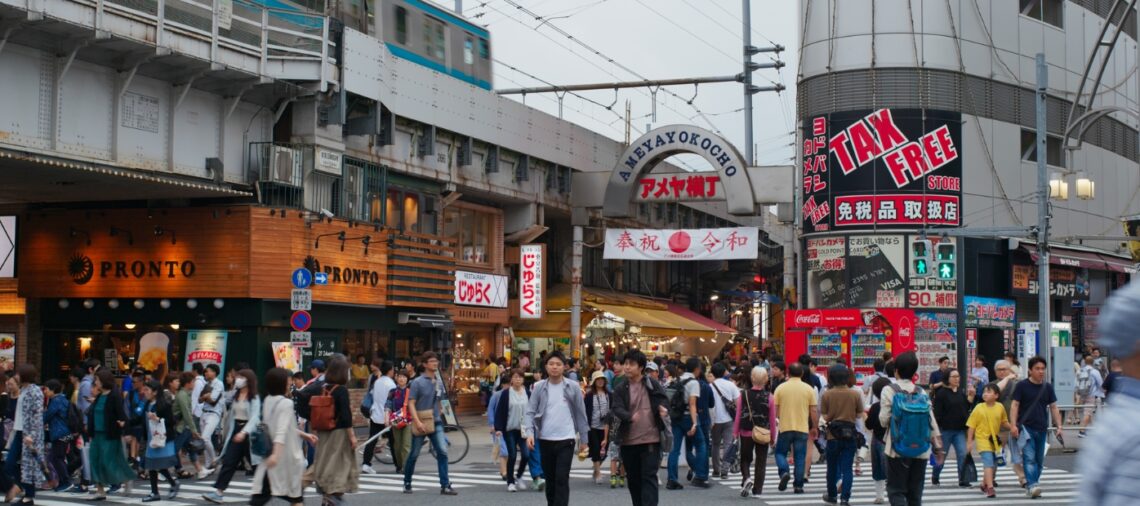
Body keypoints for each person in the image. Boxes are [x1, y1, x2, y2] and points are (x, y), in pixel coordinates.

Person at [523, 351, 589, 506]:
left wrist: (584, 440)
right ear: (546, 367)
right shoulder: (539, 387)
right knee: (550, 480)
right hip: (545, 439)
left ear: (564, 367)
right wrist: (529, 433)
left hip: (566, 439)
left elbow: (581, 414)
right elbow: (530, 411)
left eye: (558, 364)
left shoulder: (573, 386)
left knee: (561, 478)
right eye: (551, 364)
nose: (554, 367)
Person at [879, 352, 943, 506]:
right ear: (914, 373)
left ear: (896, 371)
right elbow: (931, 420)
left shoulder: (889, 390)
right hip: (921, 449)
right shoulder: (921, 392)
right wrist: (938, 446)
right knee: (915, 493)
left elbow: (883, 420)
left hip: (896, 448)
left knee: (896, 490)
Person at [250, 368, 316, 506]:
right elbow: (281, 431)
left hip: (272, 457)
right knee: (294, 497)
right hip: (285, 458)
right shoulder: (286, 403)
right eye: (288, 382)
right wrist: (276, 455)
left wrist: (304, 435)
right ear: (281, 384)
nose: (290, 384)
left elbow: (278, 427)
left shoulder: (268, 400)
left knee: (263, 496)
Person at [611, 350, 668, 506]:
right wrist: (629, 416)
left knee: (649, 477)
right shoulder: (620, 387)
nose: (627, 367)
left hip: (651, 439)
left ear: (641, 367)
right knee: (634, 480)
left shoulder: (652, 384)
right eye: (626, 363)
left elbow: (664, 400)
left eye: (631, 364)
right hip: (628, 441)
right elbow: (616, 407)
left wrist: (663, 409)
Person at [304, 357, 359, 504]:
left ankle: (325, 494)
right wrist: (352, 436)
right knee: (339, 464)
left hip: (324, 431)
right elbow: (346, 416)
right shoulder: (341, 390)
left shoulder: (323, 388)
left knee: (323, 461)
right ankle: (332, 494)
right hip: (339, 433)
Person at [202, 370, 261, 504]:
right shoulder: (236, 395)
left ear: (248, 379)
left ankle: (267, 488)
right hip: (236, 432)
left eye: (241, 377)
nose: (238, 379)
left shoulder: (254, 397)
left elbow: (255, 417)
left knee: (256, 465)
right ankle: (218, 492)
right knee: (229, 461)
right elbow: (229, 413)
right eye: (238, 377)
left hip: (250, 434)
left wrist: (244, 432)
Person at [404, 351, 458, 495]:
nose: (435, 363)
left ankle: (445, 485)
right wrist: (417, 422)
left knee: (442, 451)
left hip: (436, 421)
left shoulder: (438, 381)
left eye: (436, 361)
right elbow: (411, 403)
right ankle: (407, 482)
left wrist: (442, 412)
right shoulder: (417, 382)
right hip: (421, 421)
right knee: (414, 454)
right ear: (424, 364)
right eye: (432, 361)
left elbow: (441, 400)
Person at [1009, 356, 1063, 499]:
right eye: (1037, 369)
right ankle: (1032, 485)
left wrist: (1059, 426)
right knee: (1029, 458)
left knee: (1039, 460)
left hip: (1042, 428)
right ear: (1030, 370)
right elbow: (1015, 405)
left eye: (1043, 369)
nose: (1041, 371)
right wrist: (1013, 425)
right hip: (1026, 428)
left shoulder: (1047, 387)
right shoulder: (1022, 386)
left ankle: (1032, 485)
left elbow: (1054, 407)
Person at [86, 369, 136, 501]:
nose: (95, 383)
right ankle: (100, 490)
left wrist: (126, 431)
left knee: (109, 462)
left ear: (104, 381)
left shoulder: (114, 396)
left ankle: (126, 478)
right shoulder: (99, 397)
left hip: (110, 434)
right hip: (96, 434)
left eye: (97, 380)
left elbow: (122, 415)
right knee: (95, 461)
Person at [773, 361, 818, 494]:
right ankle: (798, 485)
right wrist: (815, 427)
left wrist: (775, 422)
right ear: (802, 373)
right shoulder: (808, 389)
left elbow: (775, 410)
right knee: (800, 456)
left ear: (788, 373)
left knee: (780, 453)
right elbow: (813, 410)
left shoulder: (781, 388)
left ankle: (784, 472)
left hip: (785, 426)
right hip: (802, 427)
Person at [820, 364, 862, 506]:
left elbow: (824, 416)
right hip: (850, 434)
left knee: (832, 467)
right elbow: (859, 414)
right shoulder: (855, 394)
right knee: (847, 468)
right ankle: (845, 498)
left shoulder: (827, 394)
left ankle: (832, 495)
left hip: (833, 435)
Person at [665, 358, 709, 490]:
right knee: (701, 445)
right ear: (697, 369)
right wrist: (695, 423)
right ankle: (700, 476)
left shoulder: (677, 380)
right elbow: (692, 403)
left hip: (676, 417)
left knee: (675, 449)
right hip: (688, 417)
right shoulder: (693, 383)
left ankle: (672, 479)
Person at [5, 364, 44, 506]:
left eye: (18, 374)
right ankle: (20, 485)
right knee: (9, 463)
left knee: (29, 465)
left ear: (25, 375)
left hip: (29, 434)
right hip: (19, 431)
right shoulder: (23, 389)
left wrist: (32, 435)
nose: (16, 376)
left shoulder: (35, 391)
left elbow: (37, 415)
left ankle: (29, 496)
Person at [734, 366, 774, 499]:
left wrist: (735, 432)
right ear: (766, 380)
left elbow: (738, 415)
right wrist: (773, 436)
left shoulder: (743, 395)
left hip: (746, 431)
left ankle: (746, 478)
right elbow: (772, 419)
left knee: (745, 458)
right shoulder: (770, 397)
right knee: (761, 461)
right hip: (763, 432)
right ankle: (758, 489)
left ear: (752, 378)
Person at [931, 368, 974, 487]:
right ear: (947, 378)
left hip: (959, 430)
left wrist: (971, 397)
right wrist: (937, 431)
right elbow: (937, 413)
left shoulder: (960, 392)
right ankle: (935, 475)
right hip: (945, 430)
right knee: (942, 456)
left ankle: (963, 479)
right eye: (954, 377)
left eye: (958, 376)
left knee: (962, 454)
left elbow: (965, 408)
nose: (957, 379)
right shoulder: (941, 394)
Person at [139, 380, 179, 502]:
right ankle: (161, 489)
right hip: (151, 438)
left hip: (161, 439)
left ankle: (158, 491)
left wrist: (158, 419)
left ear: (155, 392)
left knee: (157, 465)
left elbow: (171, 422)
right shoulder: (147, 404)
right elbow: (141, 419)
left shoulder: (164, 405)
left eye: (147, 390)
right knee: (153, 465)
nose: (144, 392)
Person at [966, 383, 1009, 498]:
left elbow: (1004, 422)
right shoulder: (978, 408)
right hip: (982, 440)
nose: (985, 394)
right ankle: (990, 488)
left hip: (994, 440)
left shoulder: (1000, 407)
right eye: (984, 392)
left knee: (993, 464)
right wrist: (969, 442)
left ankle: (984, 483)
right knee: (988, 462)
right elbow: (971, 426)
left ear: (996, 395)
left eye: (989, 392)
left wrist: (1013, 428)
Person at [494, 369, 532, 492]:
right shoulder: (506, 394)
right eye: (515, 377)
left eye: (520, 377)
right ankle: (510, 482)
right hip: (510, 428)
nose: (518, 379)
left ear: (523, 379)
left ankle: (519, 475)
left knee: (526, 455)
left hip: (524, 429)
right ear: (511, 379)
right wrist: (498, 428)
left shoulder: (527, 392)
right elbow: (500, 411)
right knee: (513, 455)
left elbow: (532, 410)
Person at [362, 360, 396, 474]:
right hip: (387, 417)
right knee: (393, 442)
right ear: (390, 370)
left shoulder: (377, 382)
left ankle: (366, 464)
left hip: (375, 415)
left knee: (372, 440)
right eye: (393, 369)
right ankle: (398, 465)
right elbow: (392, 402)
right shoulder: (391, 384)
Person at [865, 369, 893, 504]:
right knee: (892, 469)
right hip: (892, 439)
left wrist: (865, 417)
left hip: (877, 440)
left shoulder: (875, 407)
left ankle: (879, 495)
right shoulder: (895, 404)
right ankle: (895, 493)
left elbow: (869, 425)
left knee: (878, 470)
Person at [708, 362, 739, 480]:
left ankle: (716, 469)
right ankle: (725, 470)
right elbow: (738, 403)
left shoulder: (710, 386)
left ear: (712, 373)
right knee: (728, 444)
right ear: (724, 372)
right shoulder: (731, 385)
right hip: (729, 419)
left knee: (715, 444)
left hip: (714, 420)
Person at [42, 379, 71, 492]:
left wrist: (38, 419)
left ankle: (66, 481)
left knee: (57, 458)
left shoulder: (56, 401)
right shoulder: (63, 399)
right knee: (58, 457)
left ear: (53, 390)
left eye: (46, 389)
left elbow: (47, 416)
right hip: (66, 433)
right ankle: (64, 481)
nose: (44, 391)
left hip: (60, 433)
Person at [197, 364, 226, 477]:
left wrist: (206, 397)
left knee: (205, 438)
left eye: (208, 371)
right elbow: (200, 400)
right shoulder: (207, 384)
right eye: (205, 371)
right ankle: (208, 464)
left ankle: (214, 459)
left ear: (214, 372)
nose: (206, 373)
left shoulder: (219, 384)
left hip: (214, 414)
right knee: (205, 440)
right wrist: (206, 396)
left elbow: (213, 400)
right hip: (204, 412)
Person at [172, 372, 201, 479]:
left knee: (191, 448)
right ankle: (162, 470)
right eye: (193, 381)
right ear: (188, 383)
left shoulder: (185, 394)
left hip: (184, 426)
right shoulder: (182, 395)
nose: (194, 384)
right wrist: (194, 430)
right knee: (174, 449)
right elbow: (187, 414)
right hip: (181, 427)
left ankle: (200, 470)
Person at [583, 371, 611, 485]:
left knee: (604, 452)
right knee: (595, 450)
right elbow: (584, 411)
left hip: (606, 427)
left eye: (602, 379)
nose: (600, 381)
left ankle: (596, 469)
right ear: (594, 382)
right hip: (593, 426)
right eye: (598, 379)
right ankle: (598, 473)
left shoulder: (609, 394)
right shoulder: (589, 395)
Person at [386, 369, 412, 475]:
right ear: (396, 378)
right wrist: (386, 418)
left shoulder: (411, 391)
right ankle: (399, 465)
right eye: (400, 376)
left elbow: (415, 405)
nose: (402, 379)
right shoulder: (392, 391)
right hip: (396, 421)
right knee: (397, 445)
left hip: (408, 421)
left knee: (406, 445)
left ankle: (406, 467)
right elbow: (387, 405)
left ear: (407, 379)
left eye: (404, 377)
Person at [1078, 355, 1105, 437]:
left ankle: (1091, 429)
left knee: (1088, 412)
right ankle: (1081, 431)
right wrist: (1103, 392)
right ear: (1093, 362)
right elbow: (1100, 383)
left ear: (1085, 362)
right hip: (1091, 394)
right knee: (1087, 413)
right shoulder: (1094, 371)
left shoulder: (1080, 370)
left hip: (1081, 394)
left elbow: (1076, 383)